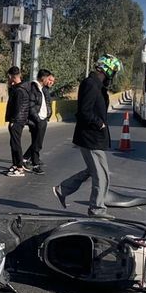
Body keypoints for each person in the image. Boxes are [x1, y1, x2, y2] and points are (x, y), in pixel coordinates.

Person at [52, 54, 123, 219]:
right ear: (106, 69)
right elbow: (84, 112)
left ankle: (63, 189)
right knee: (101, 174)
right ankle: (96, 210)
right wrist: (99, 123)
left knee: (96, 170)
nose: (113, 76)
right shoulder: (91, 84)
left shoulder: (97, 85)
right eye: (113, 71)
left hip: (94, 137)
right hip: (90, 136)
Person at [23, 69, 55, 175]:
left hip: (42, 119)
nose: (49, 82)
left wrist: (47, 116)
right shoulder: (34, 88)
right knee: (37, 143)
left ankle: (27, 160)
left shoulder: (41, 89)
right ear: (43, 78)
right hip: (38, 120)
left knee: (37, 143)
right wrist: (38, 119)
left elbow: (45, 104)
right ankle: (34, 164)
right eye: (48, 79)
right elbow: (31, 106)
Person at [4, 66, 30, 177]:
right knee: (13, 143)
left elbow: (17, 107)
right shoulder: (20, 88)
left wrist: (13, 120)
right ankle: (15, 165)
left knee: (16, 144)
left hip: (17, 120)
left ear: (11, 76)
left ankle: (19, 168)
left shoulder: (19, 90)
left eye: (9, 77)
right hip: (19, 119)